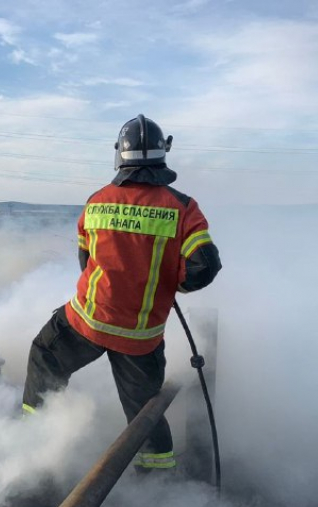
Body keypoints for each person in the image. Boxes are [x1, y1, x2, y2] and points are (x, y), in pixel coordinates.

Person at [22, 115, 222, 473]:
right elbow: (204, 267)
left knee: (45, 355)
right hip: (140, 337)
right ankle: (157, 480)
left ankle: (34, 441)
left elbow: (86, 260)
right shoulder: (182, 208)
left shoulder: (97, 201)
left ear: (119, 155)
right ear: (163, 153)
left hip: (88, 321)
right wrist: (169, 283)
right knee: (145, 412)